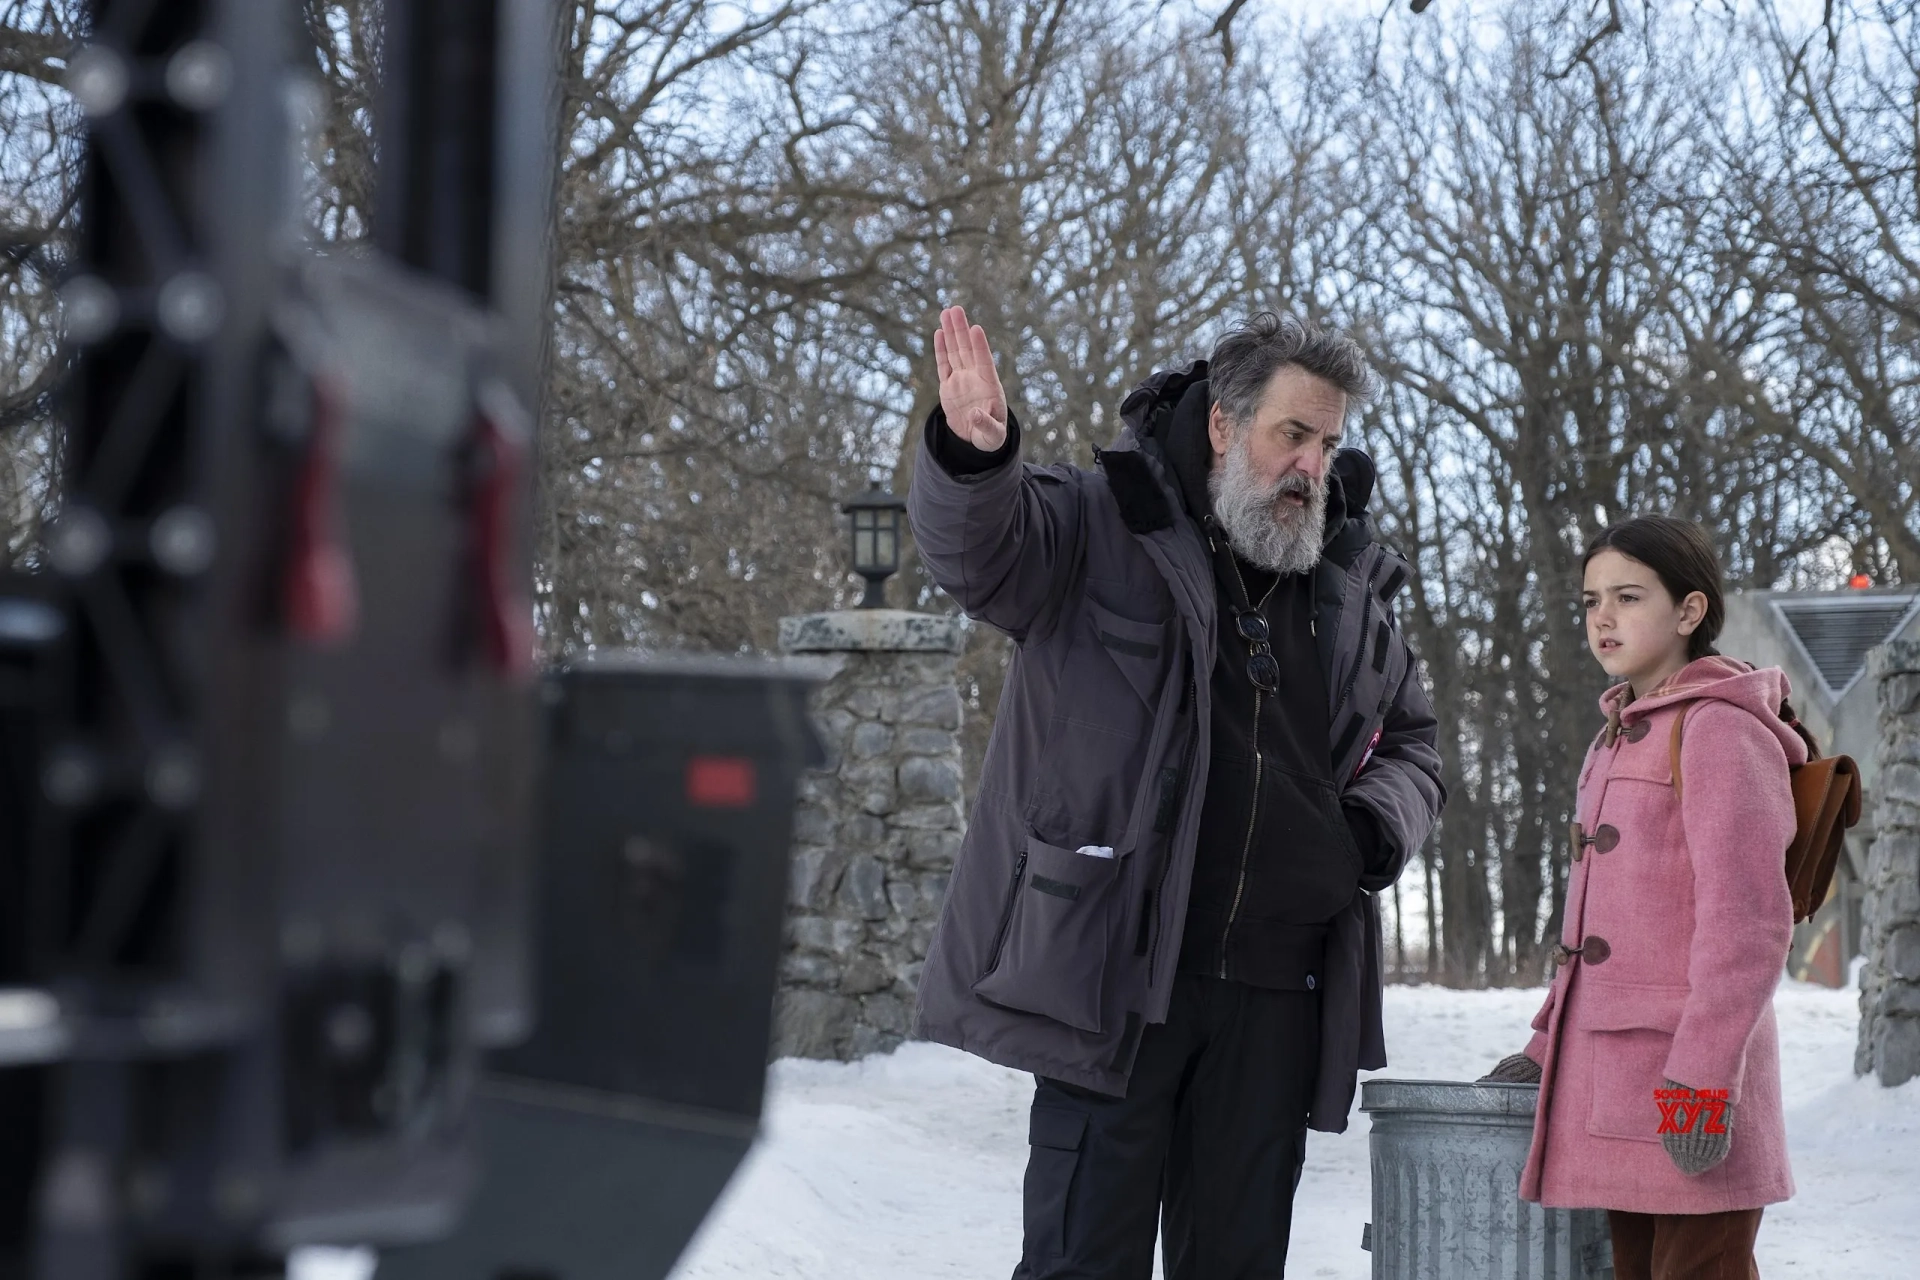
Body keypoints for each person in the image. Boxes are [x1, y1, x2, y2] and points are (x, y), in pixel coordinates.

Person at [908, 305, 1445, 1279]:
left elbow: (1413, 741)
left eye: (1327, 443)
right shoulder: (1099, 523)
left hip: (1278, 997)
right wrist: (973, 458)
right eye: (1293, 433)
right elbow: (982, 552)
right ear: (1222, 425)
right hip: (1119, 980)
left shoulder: (1346, 588)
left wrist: (1370, 829)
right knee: (1084, 1259)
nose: (1311, 466)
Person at [1480, 515, 1802, 1280]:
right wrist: (1544, 1046)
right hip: (1618, 1092)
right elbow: (1601, 929)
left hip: (1693, 1089)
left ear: (1690, 612)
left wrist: (1701, 1081)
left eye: (1628, 597)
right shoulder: (1618, 735)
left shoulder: (1720, 729)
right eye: (1591, 600)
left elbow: (1748, 925)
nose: (1604, 618)